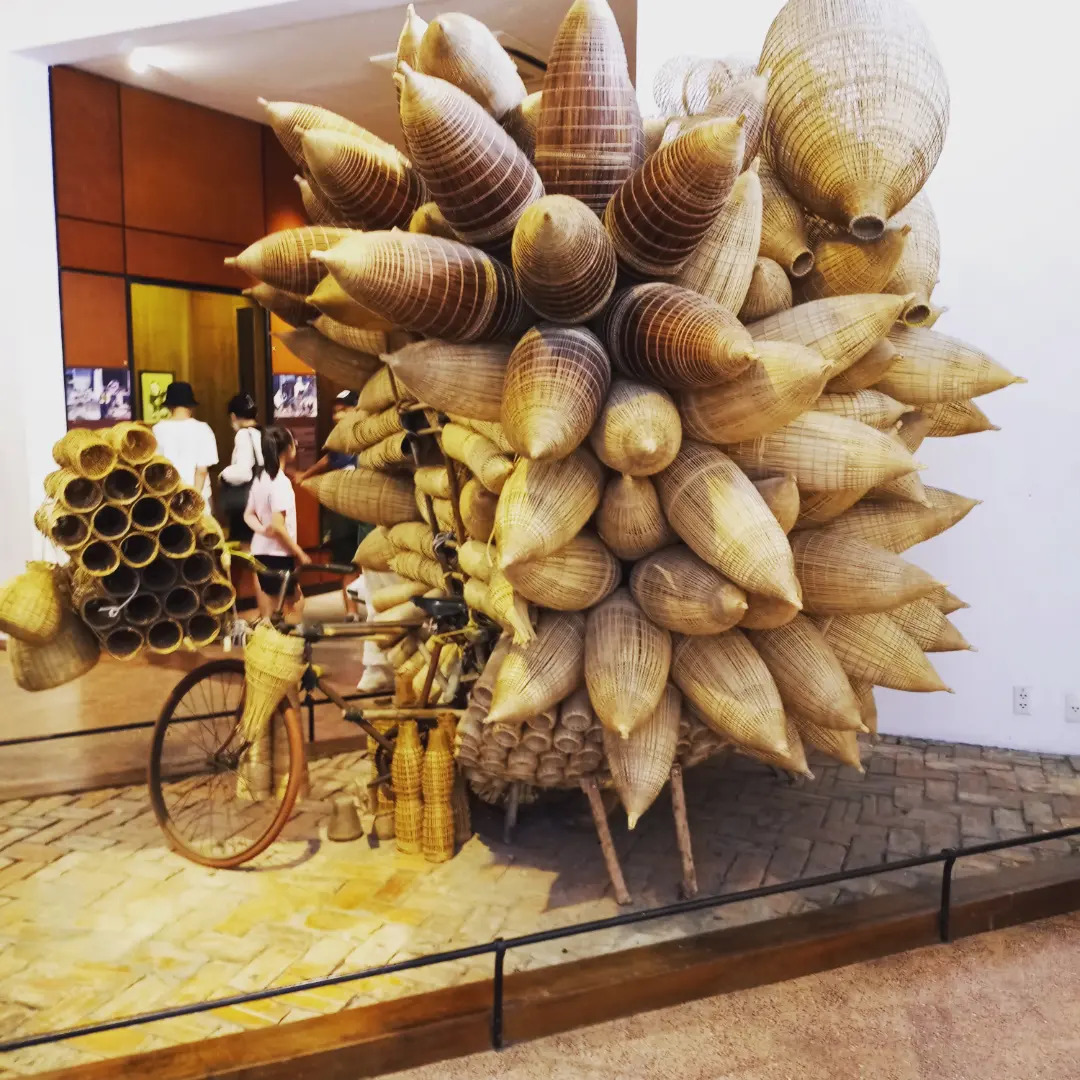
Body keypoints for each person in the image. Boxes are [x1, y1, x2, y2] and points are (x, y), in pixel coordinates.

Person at [296, 389, 372, 619]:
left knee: (371, 560)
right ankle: (351, 612)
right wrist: (305, 475)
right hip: (342, 511)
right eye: (335, 411)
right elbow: (328, 459)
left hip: (367, 508)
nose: (338, 415)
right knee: (346, 561)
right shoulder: (338, 439)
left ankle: (377, 609)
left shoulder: (371, 433)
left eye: (344, 409)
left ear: (358, 409)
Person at [244, 426, 311, 621]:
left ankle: (272, 636)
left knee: (274, 605)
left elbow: (248, 515)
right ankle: (289, 638)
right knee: (295, 603)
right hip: (279, 553)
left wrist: (262, 529)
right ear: (288, 448)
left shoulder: (260, 479)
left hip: (260, 551)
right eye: (294, 443)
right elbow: (279, 527)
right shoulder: (280, 483)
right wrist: (300, 553)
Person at [152, 382, 218, 502]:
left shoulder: (157, 429)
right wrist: (194, 499)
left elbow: (156, 468)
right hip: (199, 497)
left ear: (169, 406)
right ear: (191, 406)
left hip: (168, 497)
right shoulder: (203, 429)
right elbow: (201, 471)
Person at [219, 393, 264, 542]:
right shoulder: (263, 433)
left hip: (246, 503)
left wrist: (223, 475)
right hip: (263, 499)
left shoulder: (243, 435)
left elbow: (244, 472)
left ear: (233, 416)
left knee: (244, 544)